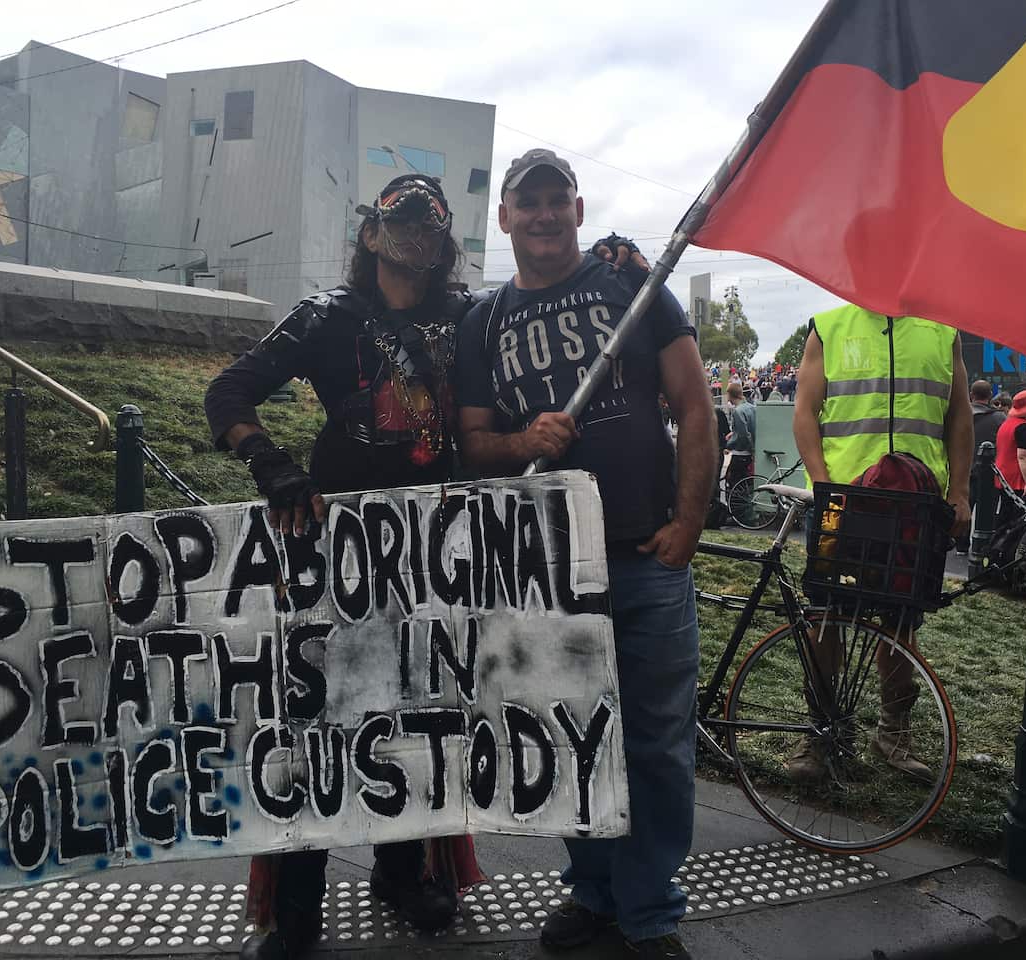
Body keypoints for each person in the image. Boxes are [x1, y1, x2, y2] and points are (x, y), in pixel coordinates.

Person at [204, 171, 645, 960]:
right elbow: (228, 393)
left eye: (433, 222)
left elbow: (542, 313)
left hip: (439, 553)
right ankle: (298, 908)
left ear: (445, 244)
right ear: (370, 233)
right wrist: (269, 463)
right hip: (333, 548)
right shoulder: (325, 318)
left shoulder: (469, 317)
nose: (417, 230)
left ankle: (402, 870)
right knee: (320, 720)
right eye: (400, 217)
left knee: (420, 708)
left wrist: (605, 273)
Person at [455, 147, 715, 960]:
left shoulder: (631, 288)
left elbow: (696, 402)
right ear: (505, 218)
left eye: (554, 199)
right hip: (546, 571)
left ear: (576, 206)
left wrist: (690, 521)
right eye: (524, 202)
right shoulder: (482, 323)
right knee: (570, 738)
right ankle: (594, 892)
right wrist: (522, 439)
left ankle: (651, 911)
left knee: (657, 743)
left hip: (644, 556)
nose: (540, 214)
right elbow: (471, 444)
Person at [791, 305, 972, 783]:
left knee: (900, 622)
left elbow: (959, 416)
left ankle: (892, 732)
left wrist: (959, 491)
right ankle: (821, 732)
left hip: (916, 504)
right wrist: (822, 484)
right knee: (827, 616)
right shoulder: (827, 327)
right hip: (845, 500)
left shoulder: (942, 329)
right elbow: (805, 412)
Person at [957, 379, 1006, 552]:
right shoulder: (999, 418)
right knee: (987, 509)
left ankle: (961, 544)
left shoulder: (961, 414)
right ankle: (984, 546)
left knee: (964, 506)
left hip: (963, 469)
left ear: (971, 395)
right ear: (990, 396)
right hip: (989, 472)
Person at [724, 382, 756, 492]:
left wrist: (728, 445)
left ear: (730, 394)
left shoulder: (737, 411)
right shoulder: (752, 408)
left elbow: (743, 435)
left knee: (733, 483)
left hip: (740, 453)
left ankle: (734, 507)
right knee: (744, 484)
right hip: (749, 454)